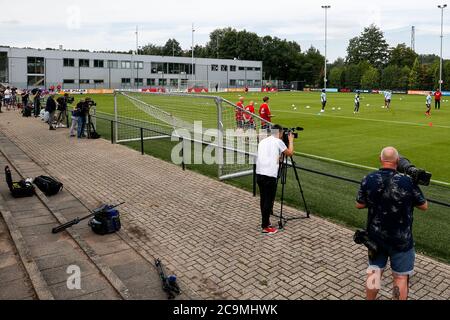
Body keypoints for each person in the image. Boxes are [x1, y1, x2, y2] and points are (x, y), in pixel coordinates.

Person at [356, 147, 428, 300]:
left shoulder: (368, 178)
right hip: (401, 240)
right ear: (397, 161)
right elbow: (424, 206)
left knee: (374, 271)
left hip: (375, 238)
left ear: (380, 159)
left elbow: (360, 204)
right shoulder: (407, 181)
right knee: (401, 278)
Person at [256, 125, 294, 235]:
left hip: (259, 173)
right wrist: (291, 141)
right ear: (280, 133)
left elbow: (268, 156)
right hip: (269, 175)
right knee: (268, 200)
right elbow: (290, 153)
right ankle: (265, 226)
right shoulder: (278, 142)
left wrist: (278, 157)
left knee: (263, 199)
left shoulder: (263, 141)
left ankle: (266, 222)